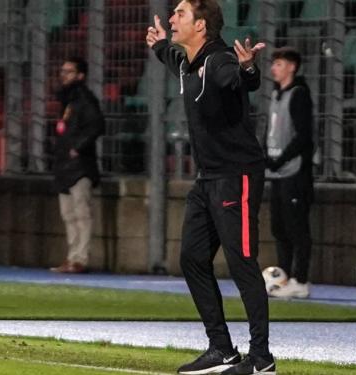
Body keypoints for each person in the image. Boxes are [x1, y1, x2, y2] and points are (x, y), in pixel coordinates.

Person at [146, 1, 276, 374]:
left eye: (180, 14)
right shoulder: (187, 62)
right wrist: (157, 44)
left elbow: (243, 80)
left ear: (201, 25)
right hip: (207, 180)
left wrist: (249, 66)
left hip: (238, 176)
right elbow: (170, 56)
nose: (172, 18)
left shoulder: (218, 61)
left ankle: (262, 360)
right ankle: (222, 349)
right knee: (191, 258)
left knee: (242, 264)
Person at [265, 47, 314, 299]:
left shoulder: (299, 95)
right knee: (279, 228)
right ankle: (283, 278)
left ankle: (301, 280)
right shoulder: (276, 96)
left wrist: (280, 158)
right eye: (274, 64)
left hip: (294, 173)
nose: (274, 68)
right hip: (277, 173)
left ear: (292, 67)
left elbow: (303, 136)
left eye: (279, 64)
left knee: (297, 229)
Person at [50, 57, 105, 274]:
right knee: (68, 214)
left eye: (69, 71)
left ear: (80, 75)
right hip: (64, 165)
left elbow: (97, 125)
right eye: (63, 71)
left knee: (81, 213)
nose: (64, 75)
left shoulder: (85, 100)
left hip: (79, 166)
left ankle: (80, 258)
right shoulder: (68, 101)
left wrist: (77, 148)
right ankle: (72, 257)